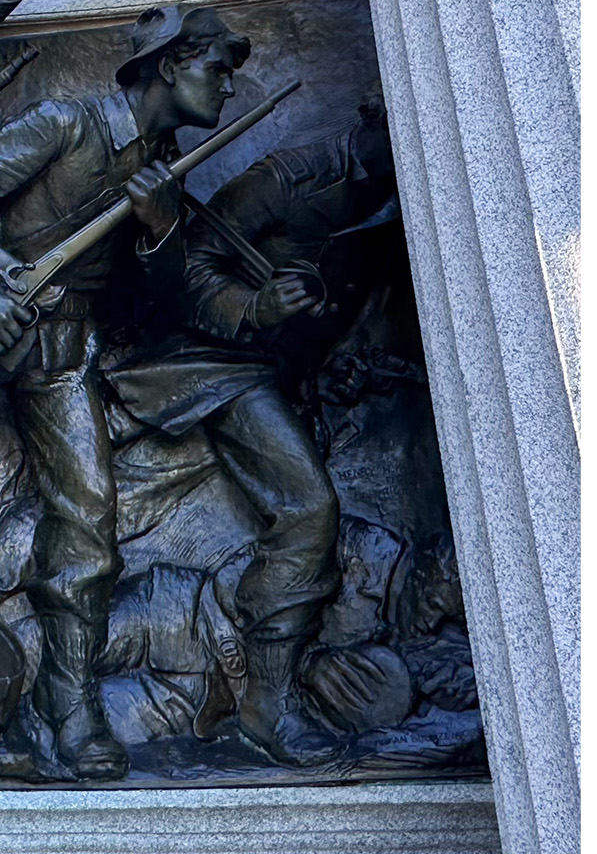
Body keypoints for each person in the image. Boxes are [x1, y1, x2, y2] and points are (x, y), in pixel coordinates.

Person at [0, 4, 248, 778]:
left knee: (87, 515)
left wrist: (163, 227)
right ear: (168, 65)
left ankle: (66, 704)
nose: (230, 88)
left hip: (64, 348)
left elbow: (164, 296)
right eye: (216, 69)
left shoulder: (165, 170)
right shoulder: (66, 123)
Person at [104, 109, 399, 764]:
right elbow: (189, 270)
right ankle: (270, 704)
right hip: (211, 359)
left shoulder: (398, 186)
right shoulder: (294, 175)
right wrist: (254, 309)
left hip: (278, 366)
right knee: (309, 507)